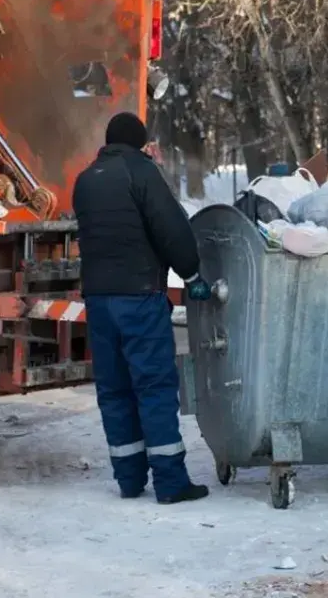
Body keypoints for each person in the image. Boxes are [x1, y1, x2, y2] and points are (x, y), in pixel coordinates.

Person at [73, 111, 212, 503]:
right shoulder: (141, 173)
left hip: (99, 302)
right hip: (139, 298)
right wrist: (191, 274)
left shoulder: (85, 180)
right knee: (153, 387)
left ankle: (130, 479)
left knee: (114, 390)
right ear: (140, 142)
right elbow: (172, 229)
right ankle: (170, 482)